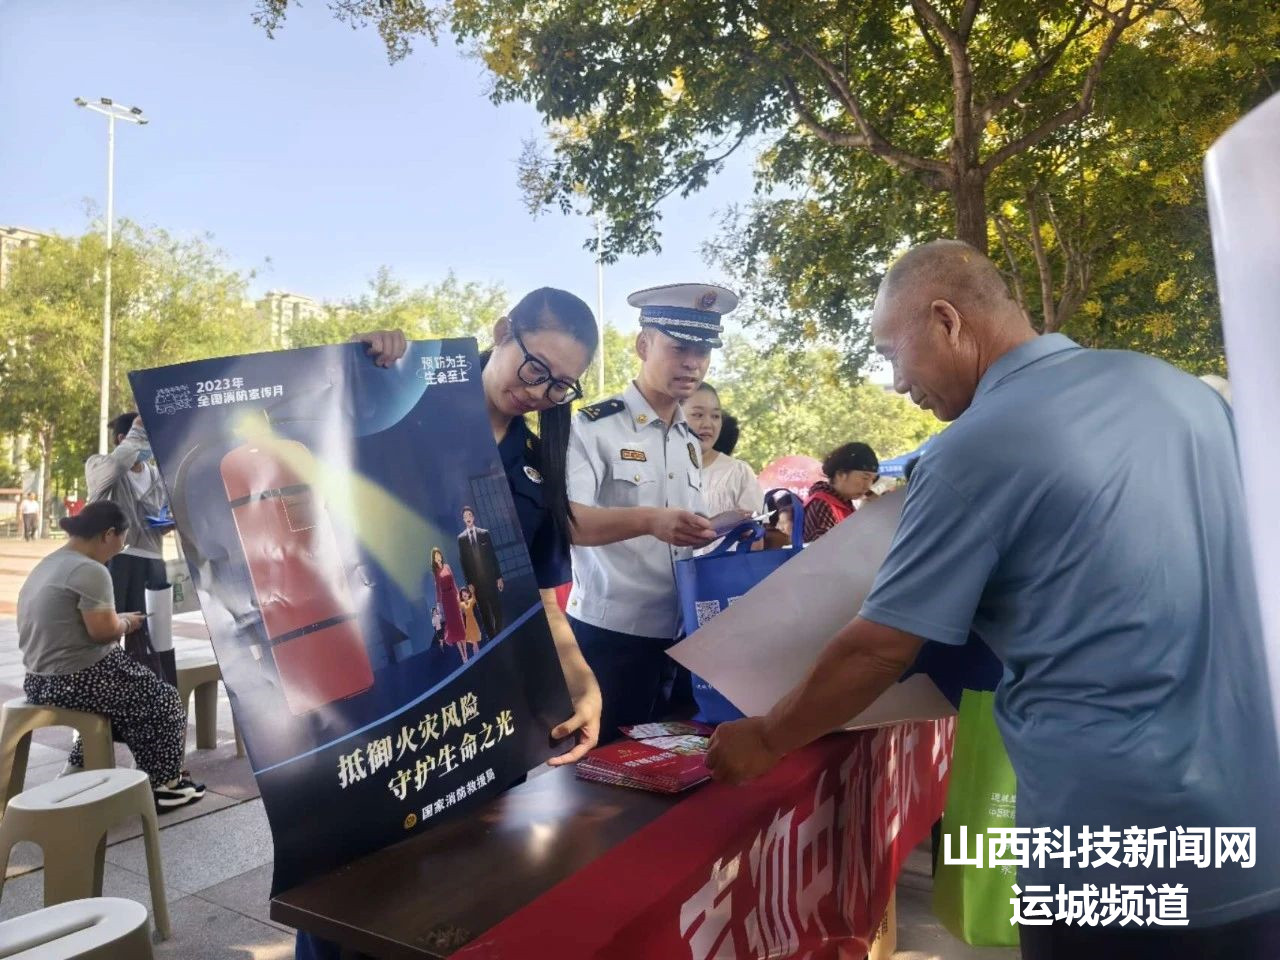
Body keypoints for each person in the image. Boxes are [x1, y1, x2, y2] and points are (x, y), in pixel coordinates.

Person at [706, 239, 1280, 959]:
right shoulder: (1186, 395)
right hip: (1257, 827)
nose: (896, 384)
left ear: (946, 320)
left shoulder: (971, 450)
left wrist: (765, 737)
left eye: (891, 354)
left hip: (1111, 845)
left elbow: (879, 649)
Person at [294, 291, 609, 960]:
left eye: (560, 385)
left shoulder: (535, 466)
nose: (540, 392)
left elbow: (540, 601)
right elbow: (314, 449)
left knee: (452, 892)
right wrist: (362, 364)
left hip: (473, 716)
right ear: (502, 331)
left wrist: (581, 679)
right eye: (535, 368)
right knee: (345, 892)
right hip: (368, 699)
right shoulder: (403, 403)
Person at [565, 283, 738, 740]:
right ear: (643, 345)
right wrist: (650, 521)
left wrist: (714, 530)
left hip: (681, 635)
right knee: (601, 768)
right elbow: (569, 522)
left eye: (703, 351)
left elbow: (684, 531)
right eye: (679, 348)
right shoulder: (593, 427)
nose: (693, 363)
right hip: (611, 637)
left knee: (663, 764)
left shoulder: (687, 439)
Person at [16, 501, 204, 811]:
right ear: (108, 534)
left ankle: (82, 763)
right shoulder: (91, 570)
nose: (119, 551)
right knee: (165, 700)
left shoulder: (50, 563)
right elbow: (102, 632)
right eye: (122, 542)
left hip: (38, 680)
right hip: (78, 677)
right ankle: (165, 784)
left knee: (122, 699)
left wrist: (117, 619)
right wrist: (126, 623)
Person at [85, 412, 175, 685]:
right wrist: (137, 432)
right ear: (122, 439)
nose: (149, 444)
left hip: (153, 561)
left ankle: (150, 691)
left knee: (153, 636)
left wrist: (169, 522)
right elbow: (115, 467)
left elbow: (162, 513)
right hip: (117, 560)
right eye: (143, 437)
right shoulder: (100, 466)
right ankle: (104, 691)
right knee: (110, 633)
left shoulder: (157, 474)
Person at [684, 383, 763, 517]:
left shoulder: (739, 473)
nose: (708, 424)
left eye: (715, 416)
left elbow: (757, 528)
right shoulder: (658, 468)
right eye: (698, 415)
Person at [801, 442, 879, 543]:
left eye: (873, 479)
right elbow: (826, 549)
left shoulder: (844, 503)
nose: (868, 486)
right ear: (841, 474)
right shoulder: (823, 504)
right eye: (865, 478)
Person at [456, 506, 504, 640]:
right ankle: (492, 637)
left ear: (473, 517)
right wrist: (469, 583)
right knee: (484, 611)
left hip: (490, 577)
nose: (468, 518)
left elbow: (493, 556)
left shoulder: (484, 533)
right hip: (476, 583)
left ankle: (500, 633)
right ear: (463, 520)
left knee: (496, 607)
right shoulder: (461, 539)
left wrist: (499, 577)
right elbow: (463, 563)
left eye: (469, 515)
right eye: (465, 517)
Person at [431, 547, 467, 663]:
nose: (438, 557)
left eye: (439, 555)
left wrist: (458, 595)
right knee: (453, 626)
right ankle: (462, 656)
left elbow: (453, 582)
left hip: (453, 596)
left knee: (460, 624)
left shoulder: (447, 566)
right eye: (435, 556)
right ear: (434, 559)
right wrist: (438, 603)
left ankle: (466, 654)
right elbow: (437, 589)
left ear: (441, 556)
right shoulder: (436, 572)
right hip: (446, 600)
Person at [459, 586, 481, 658]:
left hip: (473, 622)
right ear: (462, 597)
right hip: (468, 623)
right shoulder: (462, 604)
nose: (464, 595)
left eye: (465, 593)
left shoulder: (470, 601)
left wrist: (472, 592)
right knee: (474, 642)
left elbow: (474, 599)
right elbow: (458, 605)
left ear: (468, 594)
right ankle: (477, 656)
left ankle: (478, 655)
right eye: (463, 594)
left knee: (475, 642)